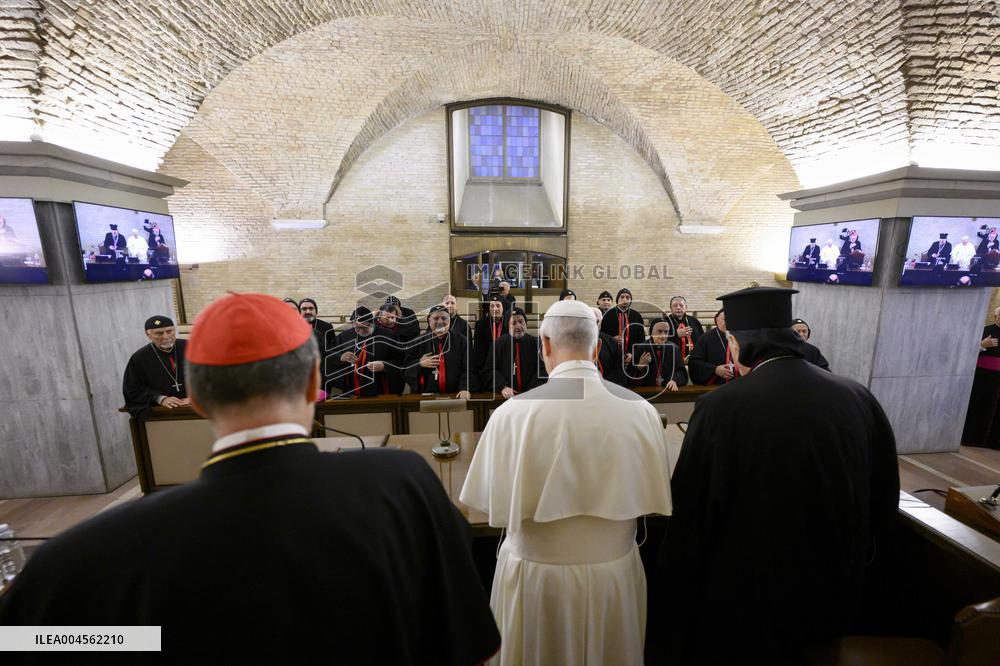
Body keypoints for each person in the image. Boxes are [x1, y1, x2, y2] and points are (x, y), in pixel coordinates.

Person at [0, 293, 500, 661]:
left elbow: (47, 639)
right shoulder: (403, 484)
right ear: (313, 381)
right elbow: (469, 638)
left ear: (197, 398)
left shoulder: (85, 558)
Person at [649, 287, 900, 664]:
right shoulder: (857, 396)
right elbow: (884, 496)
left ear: (737, 344)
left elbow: (692, 513)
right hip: (836, 594)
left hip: (748, 602)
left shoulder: (721, 407)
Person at [461, 299, 672, 666]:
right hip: (613, 578)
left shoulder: (512, 412)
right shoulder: (641, 410)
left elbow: (484, 502)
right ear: (597, 347)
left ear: (544, 344)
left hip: (537, 580)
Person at [122, 315, 189, 417]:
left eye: (169, 331)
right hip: (163, 414)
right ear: (148, 334)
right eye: (159, 333)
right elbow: (132, 388)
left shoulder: (192, 347)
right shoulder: (139, 358)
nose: (166, 337)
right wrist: (160, 398)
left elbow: (212, 374)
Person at [332, 306, 403, 397]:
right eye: (357, 328)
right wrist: (340, 357)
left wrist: (384, 366)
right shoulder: (344, 336)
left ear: (372, 323)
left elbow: (402, 359)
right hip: (351, 389)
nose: (360, 331)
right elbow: (330, 355)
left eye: (364, 328)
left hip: (379, 388)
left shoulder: (389, 336)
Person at [404, 305, 472, 398]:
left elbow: (469, 368)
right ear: (429, 321)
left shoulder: (462, 341)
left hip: (456, 394)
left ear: (450, 321)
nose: (440, 322)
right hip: (425, 395)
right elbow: (405, 368)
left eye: (444, 318)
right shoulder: (417, 342)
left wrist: (465, 388)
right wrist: (419, 363)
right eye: (436, 318)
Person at [482, 307, 543, 398]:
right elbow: (489, 370)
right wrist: (502, 386)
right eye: (513, 323)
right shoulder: (498, 344)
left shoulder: (536, 343)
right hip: (506, 396)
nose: (518, 326)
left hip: (532, 395)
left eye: (521, 322)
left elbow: (542, 369)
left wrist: (533, 387)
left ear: (526, 323)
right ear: (507, 326)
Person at [962, 306, 1000, 448]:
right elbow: (967, 350)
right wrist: (982, 344)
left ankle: (993, 442)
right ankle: (972, 438)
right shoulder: (984, 330)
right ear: (996, 316)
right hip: (983, 376)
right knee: (979, 406)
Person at [630, 318, 687, 390]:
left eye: (666, 332)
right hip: (646, 391)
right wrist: (640, 366)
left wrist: (675, 381)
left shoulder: (674, 348)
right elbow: (629, 373)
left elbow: (680, 371)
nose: (663, 335)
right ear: (652, 332)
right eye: (659, 331)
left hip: (667, 390)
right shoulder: (641, 348)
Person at [687, 309, 738, 385]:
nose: (728, 322)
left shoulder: (741, 337)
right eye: (724, 319)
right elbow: (694, 363)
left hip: (739, 384)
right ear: (716, 320)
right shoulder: (705, 338)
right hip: (714, 386)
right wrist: (714, 369)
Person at [599, 288, 645, 364]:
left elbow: (641, 339)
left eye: (627, 297)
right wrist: (612, 339)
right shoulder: (608, 315)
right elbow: (602, 335)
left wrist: (633, 353)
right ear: (617, 300)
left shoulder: (637, 316)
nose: (625, 300)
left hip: (631, 356)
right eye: (622, 297)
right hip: (612, 355)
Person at [472, 295, 509, 375]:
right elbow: (478, 351)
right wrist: (485, 369)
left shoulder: (509, 323)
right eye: (492, 306)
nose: (494, 309)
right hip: (486, 367)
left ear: (503, 308)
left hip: (505, 366)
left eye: (498, 306)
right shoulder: (480, 324)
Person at [591, 306, 627, 386]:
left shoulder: (611, 342)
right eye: (591, 320)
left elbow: (618, 370)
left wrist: (605, 384)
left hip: (608, 386)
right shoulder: (575, 342)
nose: (595, 324)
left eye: (597, 321)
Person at [665, 295, 704, 361]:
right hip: (672, 359)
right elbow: (659, 342)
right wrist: (676, 335)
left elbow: (702, 340)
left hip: (693, 359)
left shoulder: (694, 321)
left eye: (681, 305)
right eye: (675, 306)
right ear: (670, 308)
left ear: (686, 307)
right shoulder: (664, 322)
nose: (678, 308)